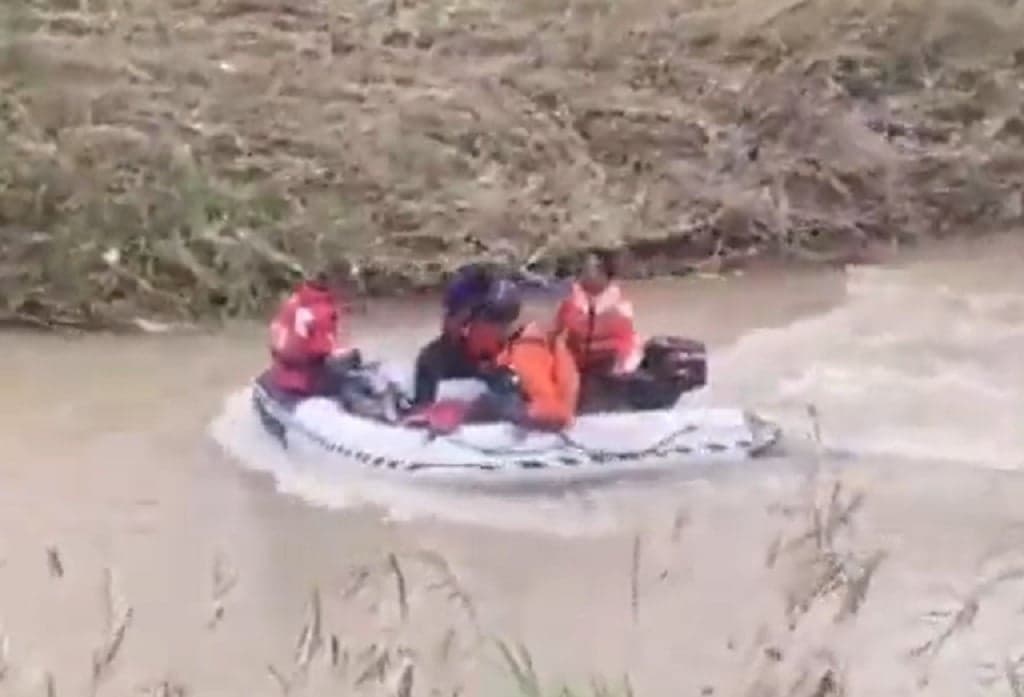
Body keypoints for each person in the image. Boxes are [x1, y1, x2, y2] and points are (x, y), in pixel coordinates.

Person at [472, 297, 581, 432]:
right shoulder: (522, 343)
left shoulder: (526, 349)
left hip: (545, 422)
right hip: (550, 417)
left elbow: (548, 404)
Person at [410, 262, 504, 407]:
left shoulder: (496, 307)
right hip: (459, 357)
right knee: (428, 362)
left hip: (488, 360)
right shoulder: (434, 358)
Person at [267, 262, 360, 399]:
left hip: (283, 371)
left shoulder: (295, 300)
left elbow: (275, 331)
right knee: (355, 369)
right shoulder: (322, 312)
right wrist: (348, 355)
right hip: (305, 380)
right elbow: (322, 349)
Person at [555, 250, 642, 377]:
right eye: (582, 269)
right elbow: (557, 331)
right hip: (576, 364)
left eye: (590, 270)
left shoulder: (620, 307)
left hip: (611, 367)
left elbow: (626, 344)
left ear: (605, 274)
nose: (583, 274)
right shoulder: (569, 299)